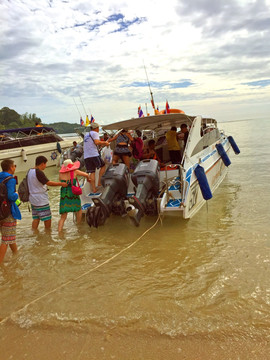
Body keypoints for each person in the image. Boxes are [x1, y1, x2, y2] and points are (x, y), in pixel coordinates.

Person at [28, 155, 67, 230]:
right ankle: (48, 233)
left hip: (33, 199)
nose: (45, 166)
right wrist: (61, 184)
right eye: (45, 164)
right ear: (42, 164)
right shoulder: (39, 172)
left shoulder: (30, 171)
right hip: (41, 199)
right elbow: (48, 183)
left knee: (36, 218)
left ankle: (34, 232)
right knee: (47, 218)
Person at [58, 159, 90, 232]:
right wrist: (88, 179)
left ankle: (59, 231)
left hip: (64, 194)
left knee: (63, 216)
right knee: (78, 209)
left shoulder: (61, 174)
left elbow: (60, 180)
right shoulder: (75, 172)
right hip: (72, 192)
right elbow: (86, 175)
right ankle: (79, 226)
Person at [0, 159, 21, 264]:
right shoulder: (11, 179)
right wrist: (17, 193)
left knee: (9, 235)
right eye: (14, 166)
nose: (15, 168)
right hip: (8, 211)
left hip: (0, 212)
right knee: (6, 239)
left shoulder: (0, 176)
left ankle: (16, 254)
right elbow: (11, 196)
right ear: (11, 167)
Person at [84, 122, 110, 193]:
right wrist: (105, 143)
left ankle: (94, 189)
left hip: (86, 156)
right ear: (96, 128)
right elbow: (96, 142)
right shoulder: (95, 133)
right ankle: (99, 182)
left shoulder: (86, 135)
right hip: (93, 154)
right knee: (103, 165)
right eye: (98, 128)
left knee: (92, 172)